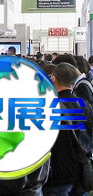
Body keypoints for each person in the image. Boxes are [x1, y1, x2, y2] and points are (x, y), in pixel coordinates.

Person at [43, 62, 93, 196]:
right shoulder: (84, 105)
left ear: (53, 79)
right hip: (80, 171)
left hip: (56, 174)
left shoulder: (49, 108)